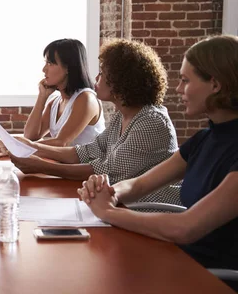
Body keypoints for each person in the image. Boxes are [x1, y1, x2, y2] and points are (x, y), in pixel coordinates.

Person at [77, 35, 238, 290]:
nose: (177, 89)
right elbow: (140, 185)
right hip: (180, 259)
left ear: (215, 84)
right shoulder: (204, 139)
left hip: (208, 278)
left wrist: (109, 212)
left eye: (186, 80)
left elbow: (186, 228)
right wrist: (109, 190)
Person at [9, 39, 181, 204]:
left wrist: (40, 166)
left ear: (121, 80)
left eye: (103, 73)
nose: (97, 77)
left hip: (149, 211)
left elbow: (107, 171)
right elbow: (87, 151)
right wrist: (31, 147)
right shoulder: (122, 116)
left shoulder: (151, 122)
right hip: (122, 204)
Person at [0, 39, 104, 157]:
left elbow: (61, 143)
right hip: (65, 167)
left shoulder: (86, 99)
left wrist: (12, 146)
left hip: (87, 171)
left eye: (50, 63)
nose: (44, 69)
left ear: (68, 67)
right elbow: (31, 135)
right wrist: (42, 97)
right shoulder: (55, 102)